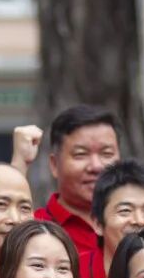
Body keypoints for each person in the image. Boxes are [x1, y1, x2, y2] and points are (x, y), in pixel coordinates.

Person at [32, 105, 121, 255]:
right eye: (81, 154)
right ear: (54, 165)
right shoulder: (33, 230)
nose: (96, 166)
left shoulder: (141, 223)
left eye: (106, 154)